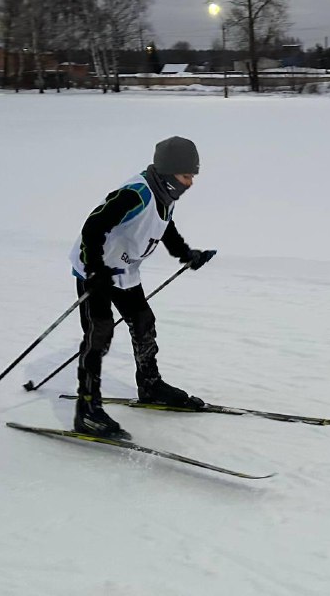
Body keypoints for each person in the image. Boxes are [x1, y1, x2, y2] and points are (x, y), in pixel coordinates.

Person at [69, 136, 217, 438]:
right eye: (187, 176)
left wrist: (185, 254)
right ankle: (87, 410)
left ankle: (150, 385)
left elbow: (163, 227)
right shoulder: (136, 193)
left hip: (124, 270)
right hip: (95, 269)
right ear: (168, 172)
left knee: (143, 322)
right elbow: (93, 227)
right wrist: (95, 269)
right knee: (99, 334)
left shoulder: (164, 195)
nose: (191, 183)